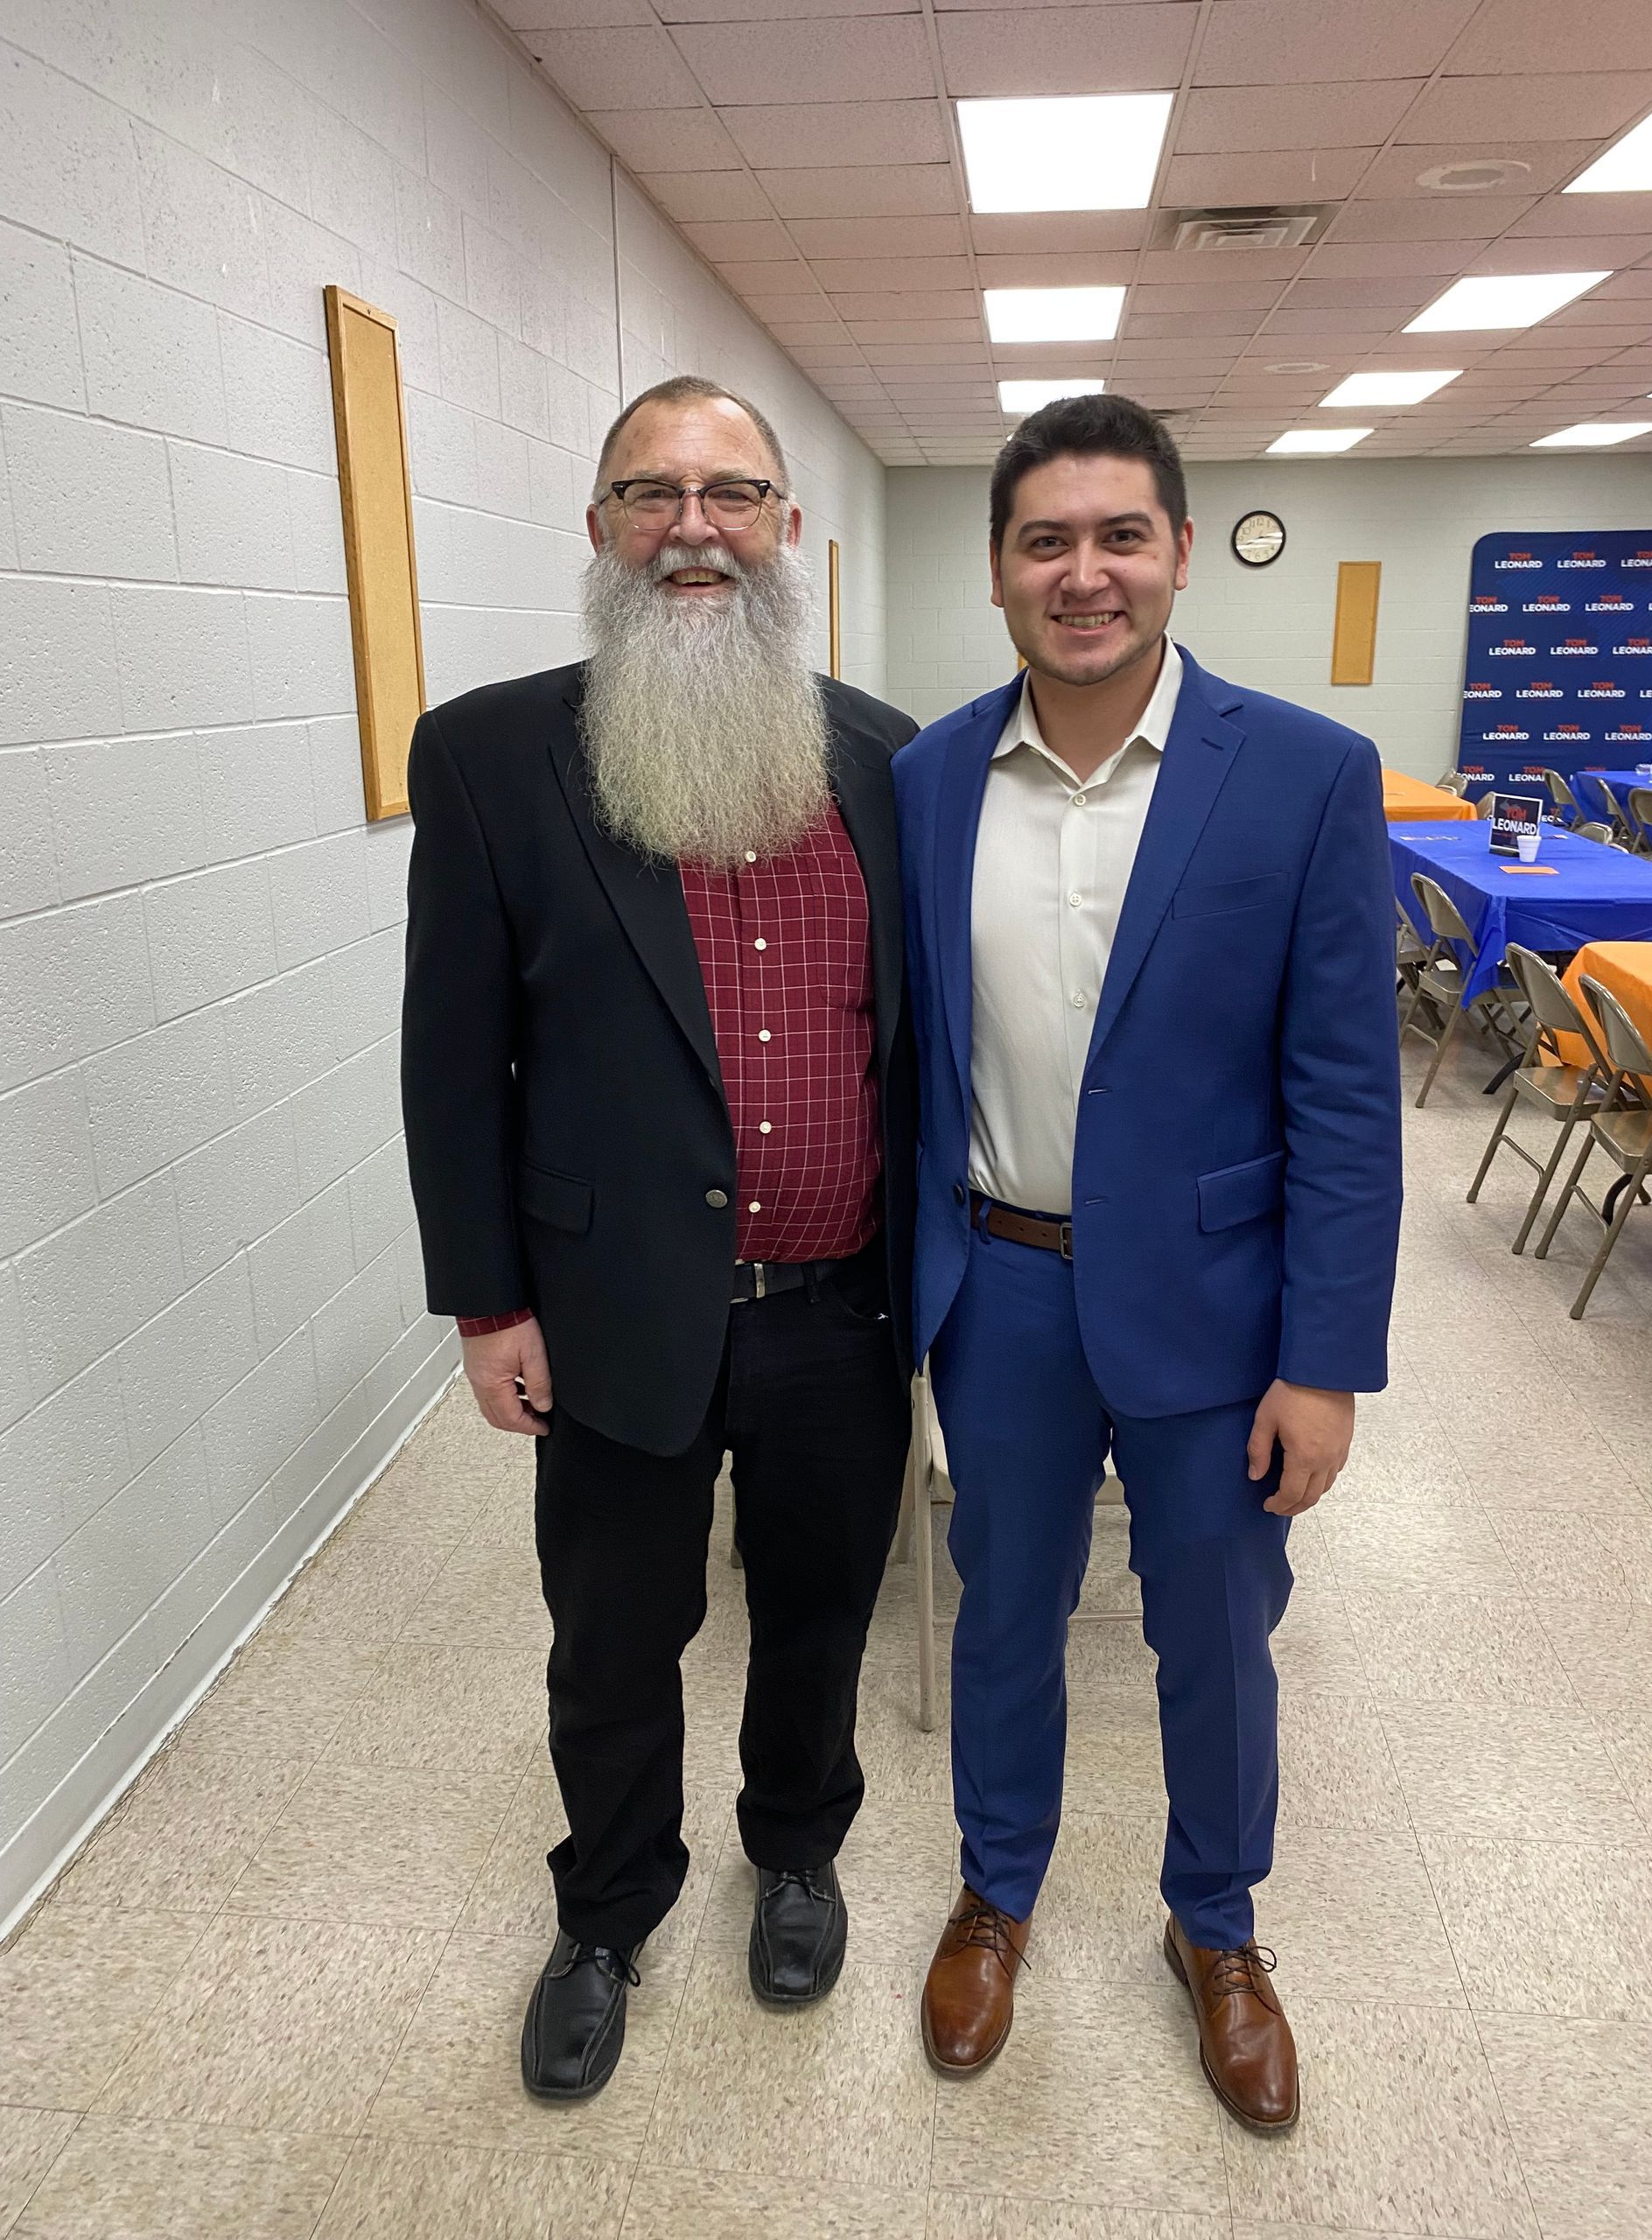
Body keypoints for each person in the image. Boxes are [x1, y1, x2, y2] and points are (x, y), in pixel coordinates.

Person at [401, 374, 919, 2102]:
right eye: (651, 491)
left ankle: (798, 1849)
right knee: (613, 1633)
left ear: (785, 528)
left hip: (837, 1303)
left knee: (818, 1613)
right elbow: (452, 1049)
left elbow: (913, 1037)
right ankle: (609, 1904)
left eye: (731, 491)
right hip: (612, 1304)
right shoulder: (489, 753)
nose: (692, 525)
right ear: (601, 529)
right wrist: (484, 1300)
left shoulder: (888, 756)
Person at [893, 394, 1402, 2129]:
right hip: (1007, 1287)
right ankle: (997, 1887)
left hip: (1222, 1307)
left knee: (1214, 1633)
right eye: (1047, 539)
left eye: (1120, 535)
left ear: (1180, 552)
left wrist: (1326, 1357)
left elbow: (1348, 1094)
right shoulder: (927, 775)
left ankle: (1220, 1926)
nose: (1085, 572)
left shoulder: (1309, 776)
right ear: (998, 573)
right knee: (1004, 1616)